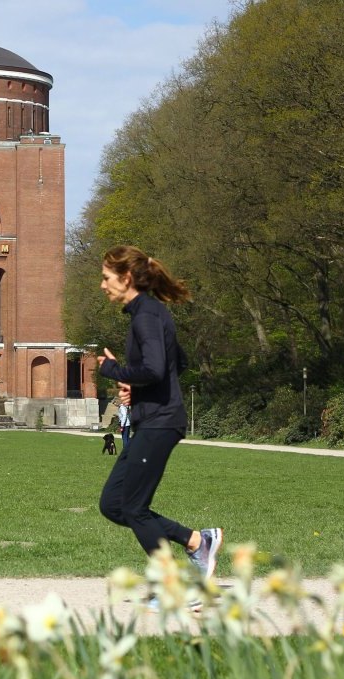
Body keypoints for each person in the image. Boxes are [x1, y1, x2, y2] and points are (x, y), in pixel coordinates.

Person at [95, 245, 222, 588]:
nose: (103, 285)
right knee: (113, 504)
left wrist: (114, 369)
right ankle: (198, 541)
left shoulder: (147, 315)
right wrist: (135, 389)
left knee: (134, 507)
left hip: (160, 422)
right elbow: (175, 363)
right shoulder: (147, 313)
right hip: (150, 419)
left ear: (126, 278)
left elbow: (153, 367)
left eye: (107, 278)